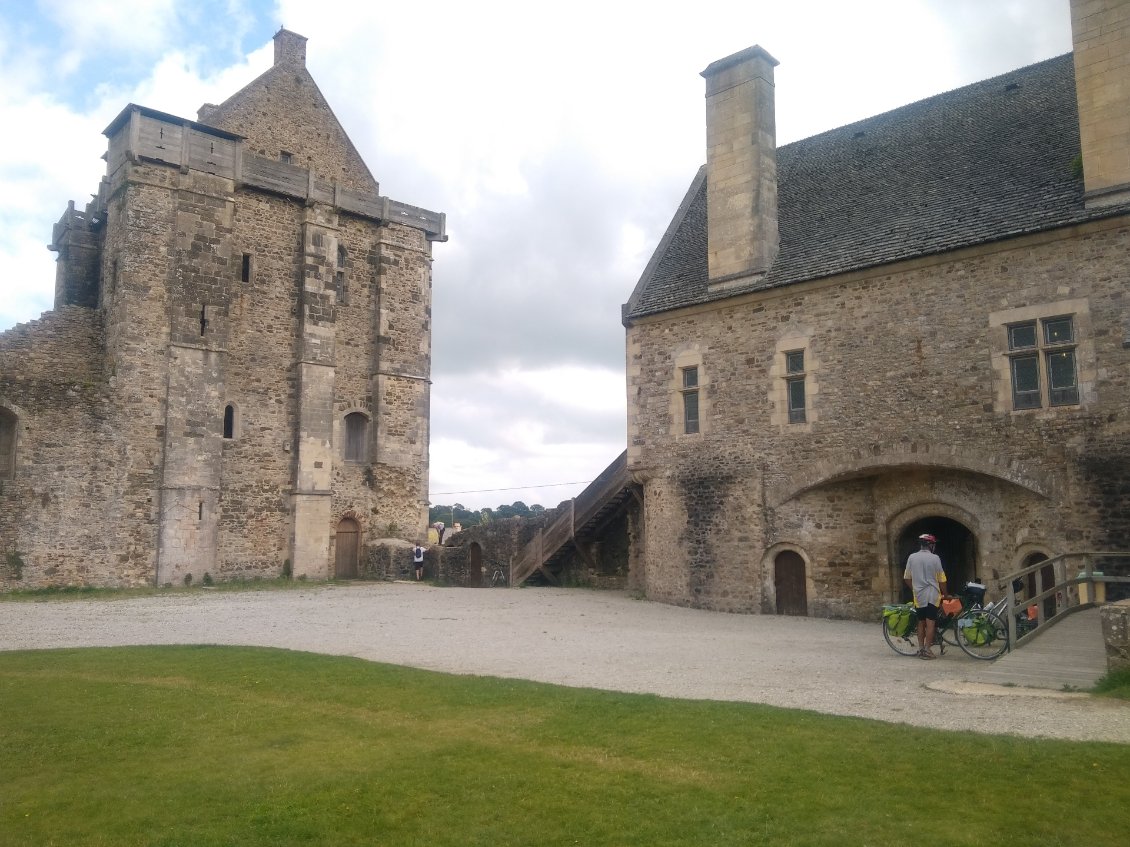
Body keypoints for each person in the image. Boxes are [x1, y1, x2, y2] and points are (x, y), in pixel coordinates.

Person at [903, 533, 948, 659]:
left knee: (920, 622)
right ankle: (928, 650)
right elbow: (941, 579)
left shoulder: (912, 557)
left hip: (918, 596)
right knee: (930, 622)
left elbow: (907, 578)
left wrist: (915, 589)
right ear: (930, 545)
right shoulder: (935, 558)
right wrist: (946, 594)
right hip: (932, 595)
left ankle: (921, 649)